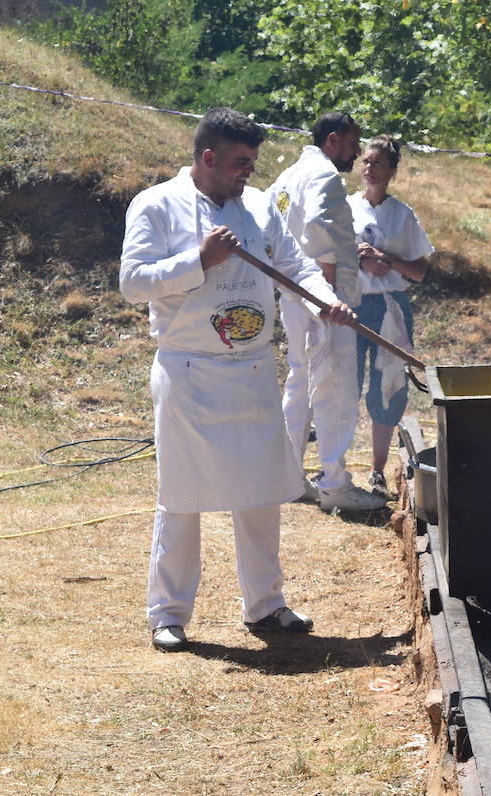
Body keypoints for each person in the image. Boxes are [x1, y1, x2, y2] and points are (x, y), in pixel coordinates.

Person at [118, 107, 356, 652]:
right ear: (207, 157)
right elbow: (133, 282)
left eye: (252, 162)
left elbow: (295, 266)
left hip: (251, 371)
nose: (248, 172)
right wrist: (197, 258)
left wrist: (328, 303)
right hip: (190, 370)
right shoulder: (156, 205)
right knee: (181, 496)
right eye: (240, 162)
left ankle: (266, 605)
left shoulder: (257, 206)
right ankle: (169, 614)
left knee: (261, 493)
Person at [268, 111, 384, 514]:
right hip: (324, 298)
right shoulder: (325, 177)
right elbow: (317, 224)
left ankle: (287, 476)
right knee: (334, 385)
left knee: (301, 381)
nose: (355, 153)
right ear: (333, 141)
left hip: (294, 294)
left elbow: (273, 226)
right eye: (353, 144)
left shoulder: (287, 177)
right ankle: (334, 483)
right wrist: (328, 284)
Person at [348, 134, 434, 492]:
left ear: (392, 172)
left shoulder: (402, 215)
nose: (369, 168)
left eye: (378, 163)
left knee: (388, 385)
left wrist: (387, 259)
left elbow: (420, 271)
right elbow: (324, 256)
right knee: (343, 383)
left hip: (390, 308)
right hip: (350, 305)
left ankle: (377, 470)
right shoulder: (344, 207)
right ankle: (333, 469)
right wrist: (359, 256)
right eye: (366, 161)